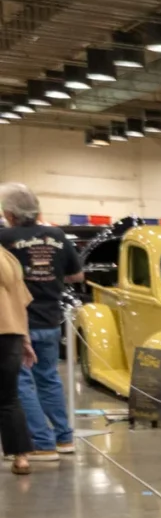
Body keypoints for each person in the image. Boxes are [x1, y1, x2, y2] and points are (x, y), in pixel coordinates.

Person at [0, 184, 81, 461]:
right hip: (51, 319)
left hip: (19, 321)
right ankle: (64, 438)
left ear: (10, 214)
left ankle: (41, 442)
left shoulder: (4, 238)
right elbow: (77, 275)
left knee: (20, 384)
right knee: (49, 378)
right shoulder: (57, 235)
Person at [0, 242, 32, 475]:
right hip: (11, 336)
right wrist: (26, 340)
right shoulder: (9, 259)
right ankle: (21, 458)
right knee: (9, 398)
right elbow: (22, 304)